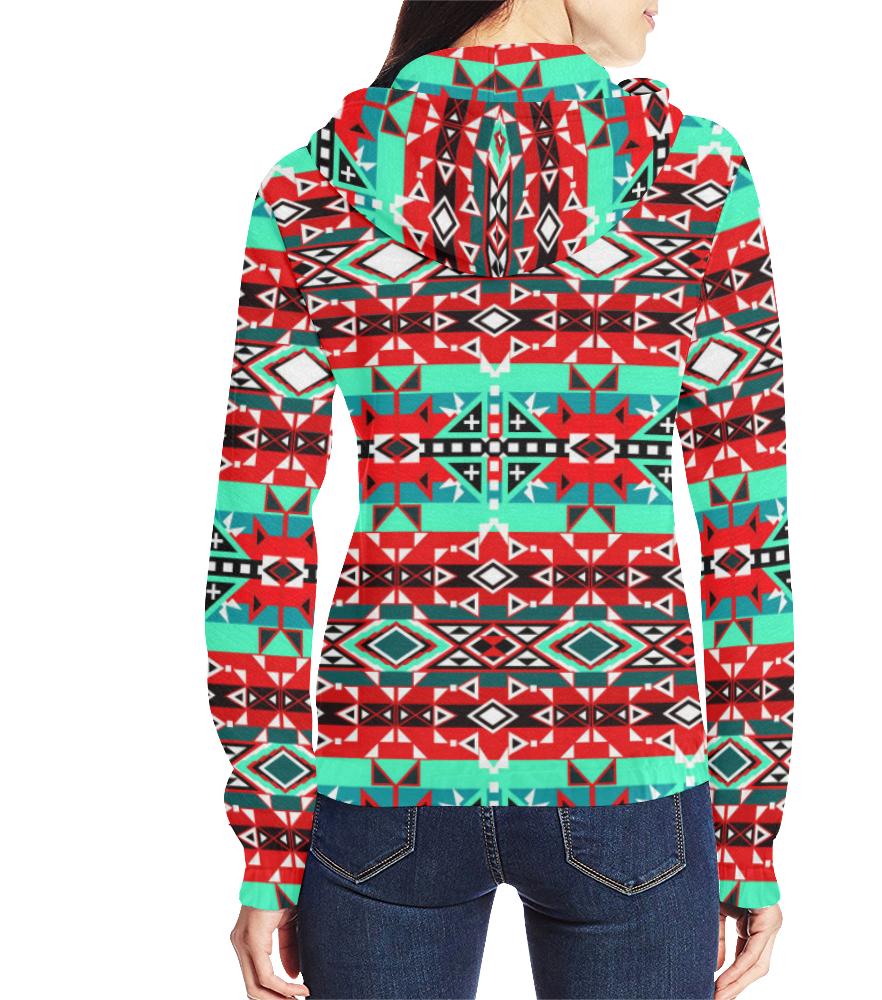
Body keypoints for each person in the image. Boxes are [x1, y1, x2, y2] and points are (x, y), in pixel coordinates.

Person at [204, 1, 794, 997]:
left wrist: (270, 841)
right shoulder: (696, 177)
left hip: (384, 765)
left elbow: (258, 541)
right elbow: (747, 534)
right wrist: (745, 832)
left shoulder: (310, 189)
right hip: (628, 760)